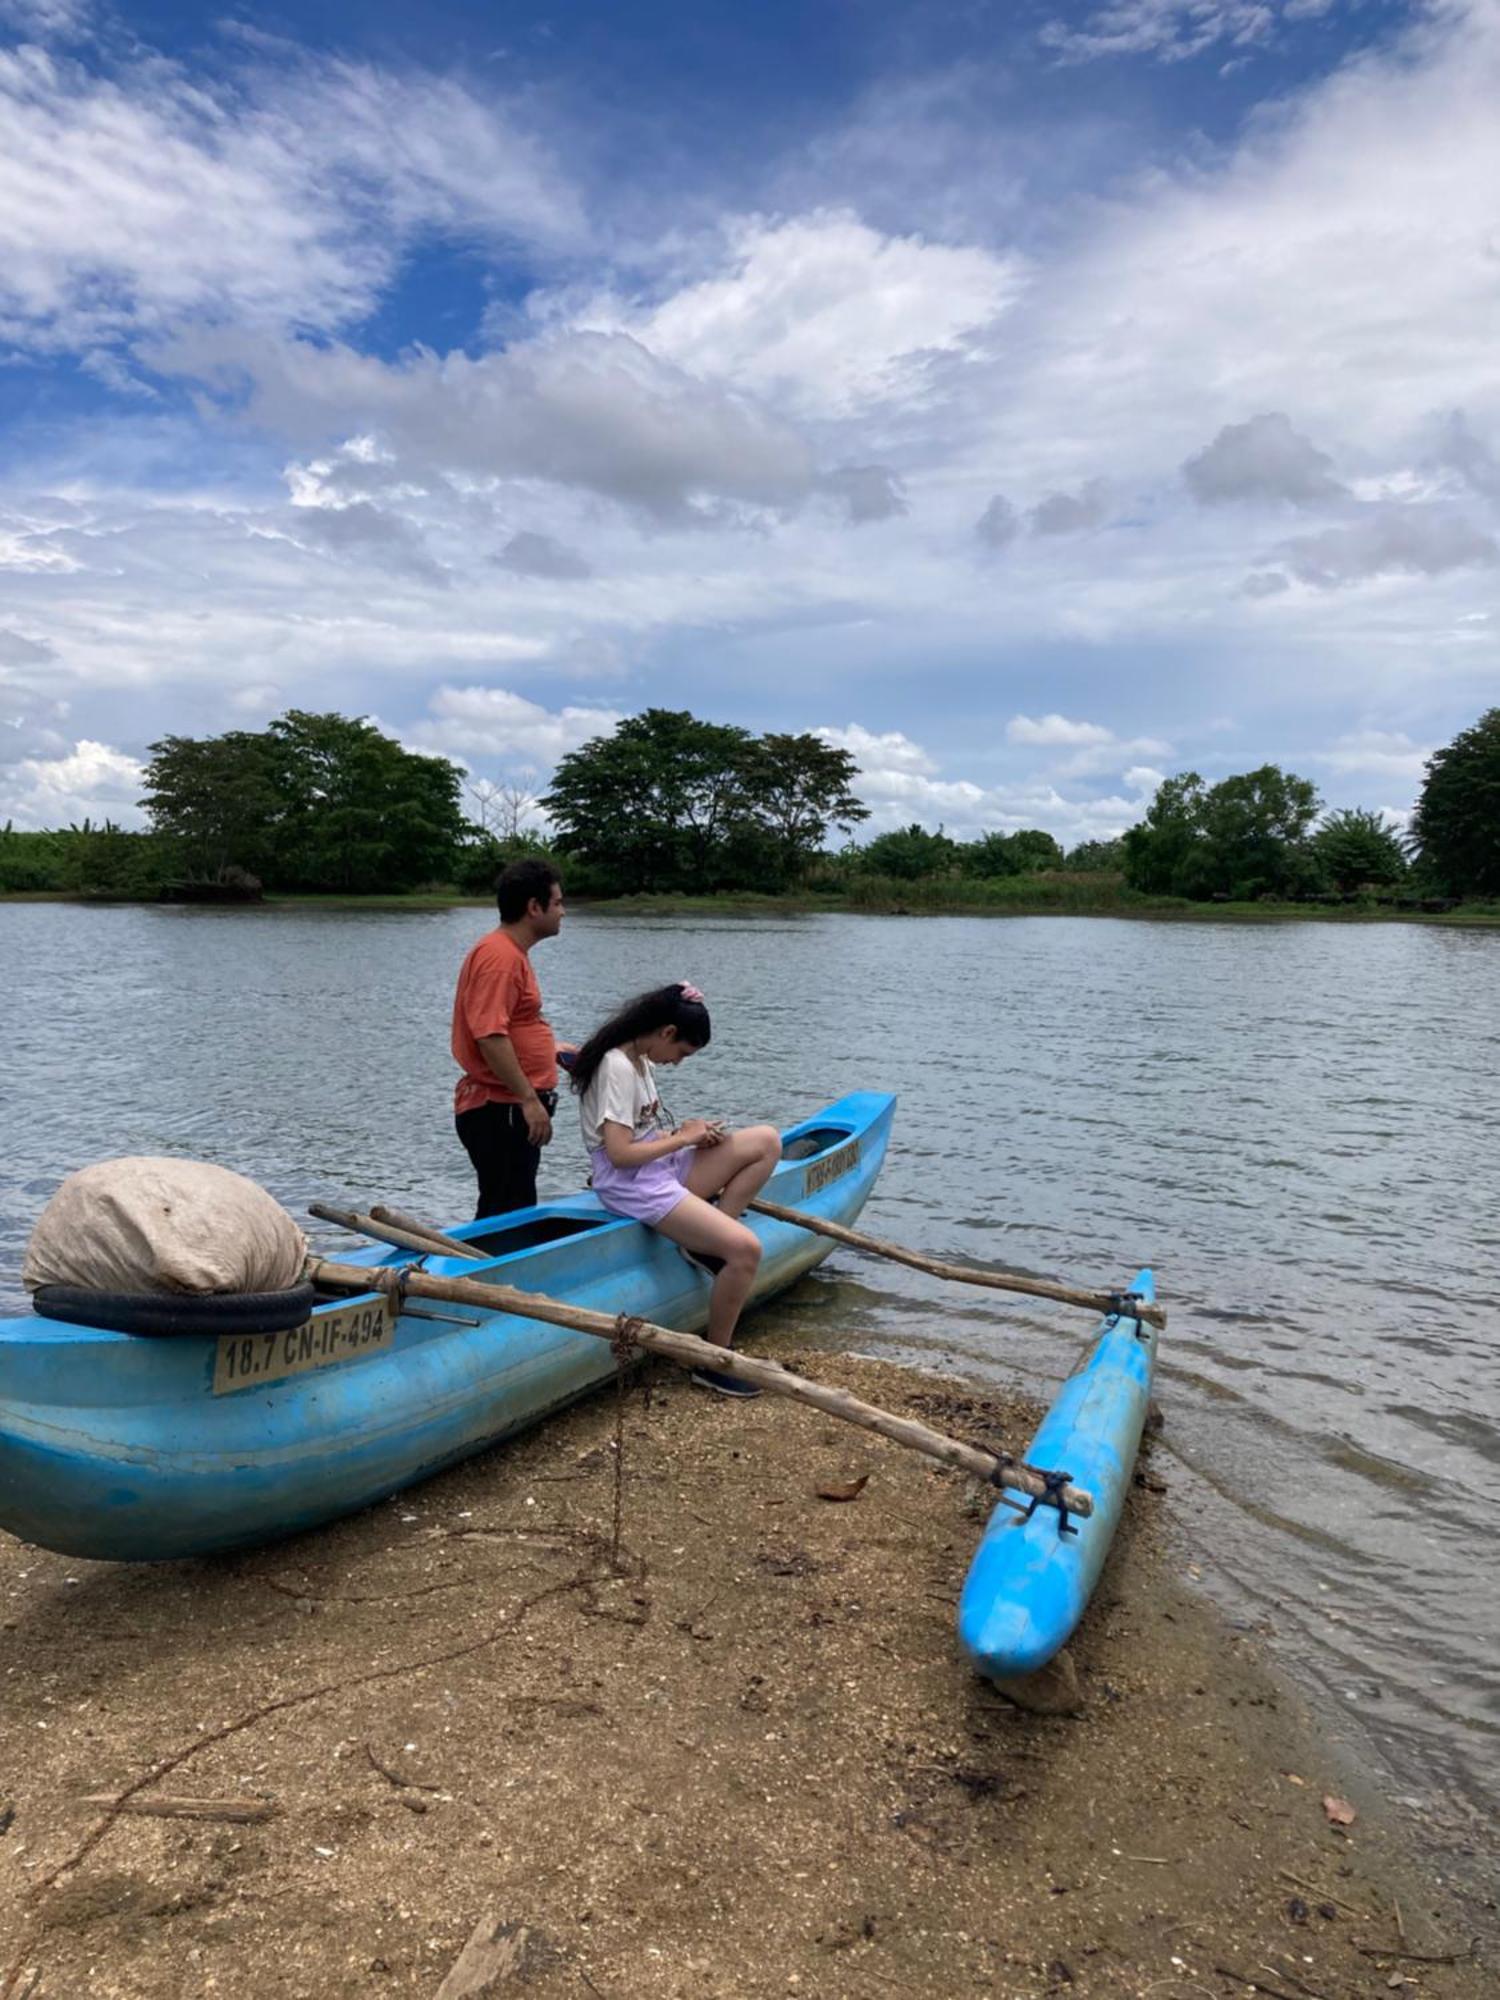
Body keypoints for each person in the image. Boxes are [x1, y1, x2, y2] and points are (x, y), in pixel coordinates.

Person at [570, 982, 781, 1398]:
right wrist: (684, 1139)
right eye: (682, 1053)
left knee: (767, 1141)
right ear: (666, 1032)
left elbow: (643, 1133)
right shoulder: (617, 1066)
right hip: (631, 1182)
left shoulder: (639, 1057)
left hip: (658, 1165)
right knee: (746, 1251)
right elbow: (619, 1154)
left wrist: (687, 1133)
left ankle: (705, 1243)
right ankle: (715, 1361)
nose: (678, 1062)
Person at [452, 857, 570, 1218]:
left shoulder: (509, 954)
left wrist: (550, 1050)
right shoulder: (500, 957)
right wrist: (529, 1100)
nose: (564, 912)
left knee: (509, 1204)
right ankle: (482, 1272)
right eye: (559, 903)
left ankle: (487, 1269)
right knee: (506, 1211)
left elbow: (510, 1026)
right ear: (534, 908)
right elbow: (489, 1035)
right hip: (501, 1108)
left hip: (507, 1107)